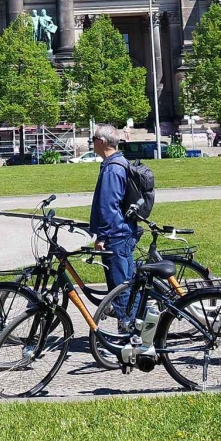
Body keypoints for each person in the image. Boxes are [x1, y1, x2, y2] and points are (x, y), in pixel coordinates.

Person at [88, 124, 138, 327]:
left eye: (92, 139)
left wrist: (102, 237)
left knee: (120, 288)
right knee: (126, 284)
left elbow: (109, 207)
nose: (91, 143)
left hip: (116, 235)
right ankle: (132, 326)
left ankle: (128, 331)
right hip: (123, 232)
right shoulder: (119, 162)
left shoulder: (112, 169)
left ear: (101, 142)